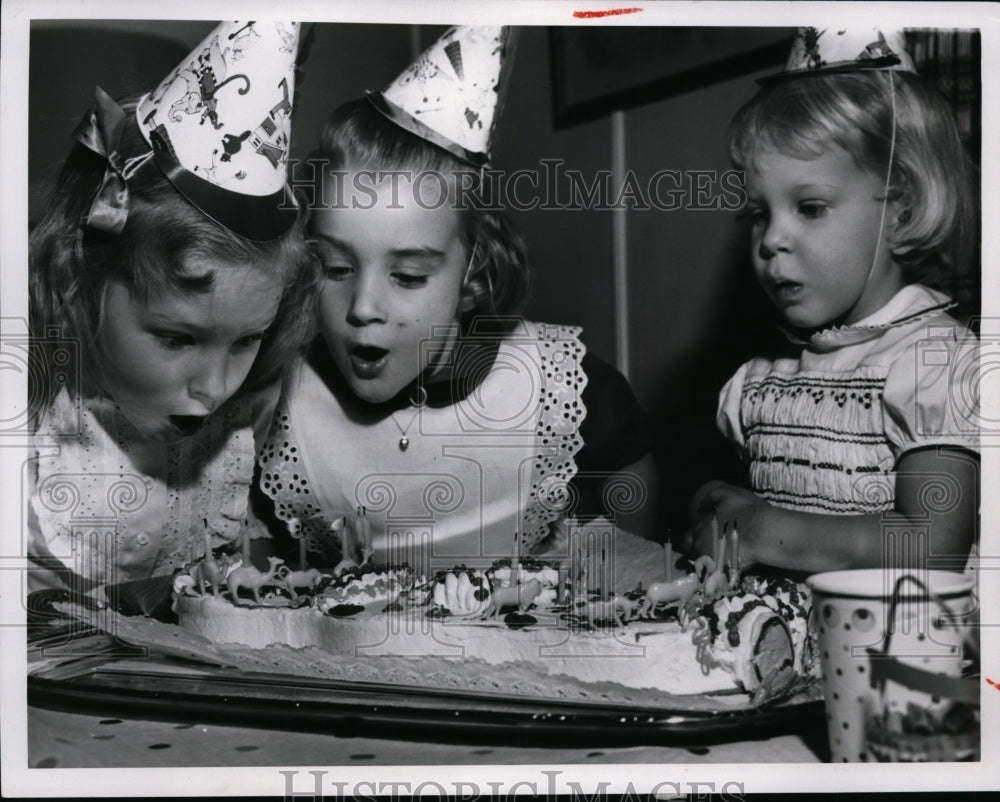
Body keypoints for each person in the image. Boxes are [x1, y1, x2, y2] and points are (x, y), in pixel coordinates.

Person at [258, 26, 660, 580]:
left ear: (473, 274)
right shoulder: (283, 406)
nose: (363, 306)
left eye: (408, 275)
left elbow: (631, 492)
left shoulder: (558, 389)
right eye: (335, 267)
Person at [28, 21, 316, 594]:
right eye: (176, 338)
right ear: (78, 283)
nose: (214, 389)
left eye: (246, 340)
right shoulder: (27, 426)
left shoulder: (235, 425)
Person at [682, 28, 979, 575]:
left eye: (810, 207)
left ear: (902, 211)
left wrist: (763, 529)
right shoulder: (762, 377)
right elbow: (751, 510)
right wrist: (721, 503)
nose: (771, 238)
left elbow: (933, 545)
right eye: (758, 213)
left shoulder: (936, 365)